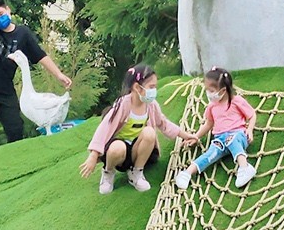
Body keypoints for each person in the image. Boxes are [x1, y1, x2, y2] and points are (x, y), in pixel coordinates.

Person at [0, 0, 71, 153]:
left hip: (5, 91)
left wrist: (59, 74)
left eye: (1, 14)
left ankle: (15, 163)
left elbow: (40, 55)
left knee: (16, 130)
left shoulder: (22, 34)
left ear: (8, 10)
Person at [80, 64, 198, 194]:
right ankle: (108, 173)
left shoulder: (151, 105)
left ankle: (136, 172)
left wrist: (186, 135)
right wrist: (94, 154)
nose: (154, 91)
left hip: (137, 150)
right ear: (137, 87)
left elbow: (163, 123)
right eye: (151, 87)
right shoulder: (123, 104)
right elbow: (105, 127)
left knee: (149, 133)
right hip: (120, 154)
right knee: (117, 147)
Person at [175, 67, 258, 190]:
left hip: (238, 135)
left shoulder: (236, 101)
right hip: (220, 138)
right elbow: (209, 124)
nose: (208, 93)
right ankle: (187, 173)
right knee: (211, 152)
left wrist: (249, 129)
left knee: (232, 140)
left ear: (223, 90)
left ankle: (245, 168)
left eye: (211, 90)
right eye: (207, 90)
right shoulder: (212, 107)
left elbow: (252, 115)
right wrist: (196, 137)